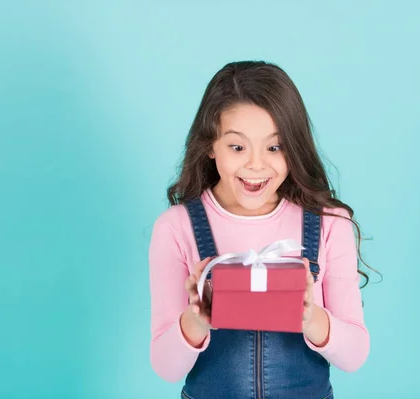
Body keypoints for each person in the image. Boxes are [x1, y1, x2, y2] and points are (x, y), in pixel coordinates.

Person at [148, 60, 373, 399]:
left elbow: (355, 355)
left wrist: (311, 317)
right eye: (237, 147)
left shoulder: (328, 223)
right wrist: (195, 319)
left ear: (294, 146)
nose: (256, 164)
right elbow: (166, 368)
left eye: (274, 146)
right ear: (210, 145)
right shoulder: (176, 228)